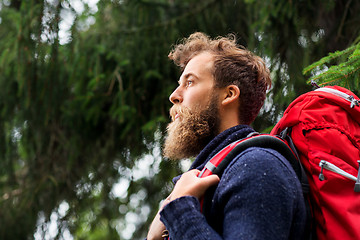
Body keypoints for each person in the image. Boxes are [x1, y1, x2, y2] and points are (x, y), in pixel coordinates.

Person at [146, 32, 307, 240]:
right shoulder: (208, 175)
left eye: (190, 82)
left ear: (229, 94)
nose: (174, 95)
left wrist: (179, 210)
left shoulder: (258, 166)